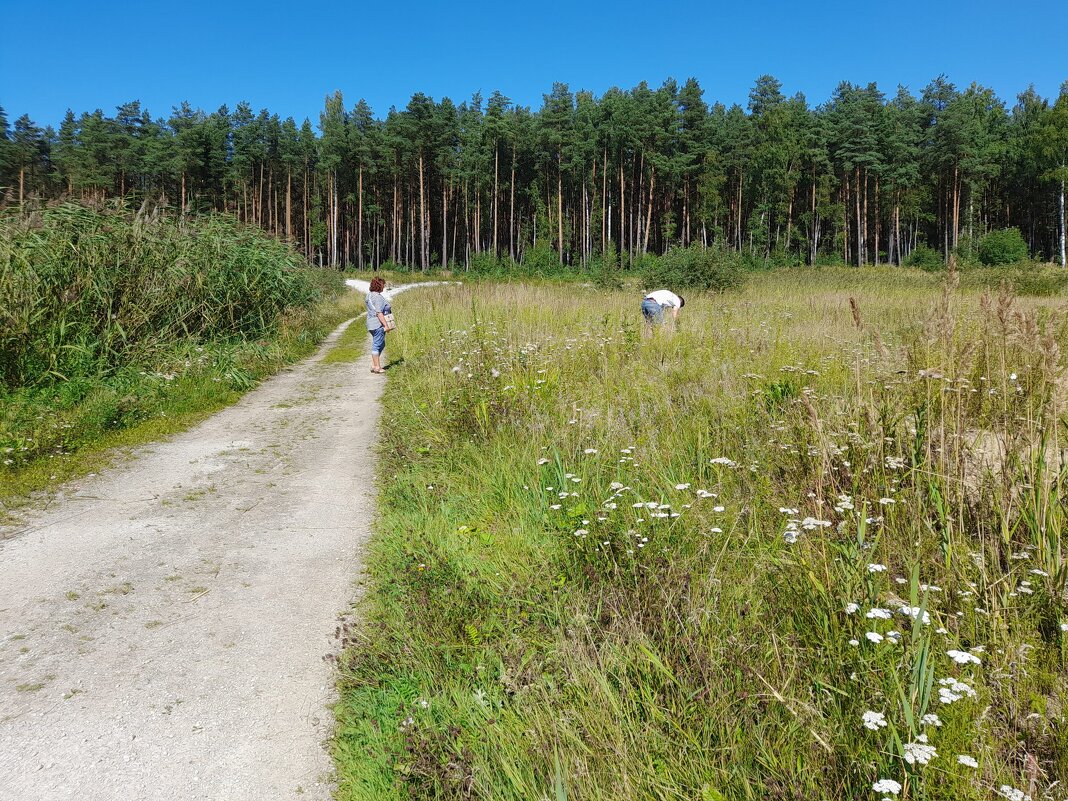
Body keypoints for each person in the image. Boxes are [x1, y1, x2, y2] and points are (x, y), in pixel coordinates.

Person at [366, 276, 392, 373]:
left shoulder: (368, 295)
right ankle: (377, 367)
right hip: (377, 324)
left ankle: (374, 365)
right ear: (379, 285)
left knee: (381, 343)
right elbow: (379, 312)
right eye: (383, 284)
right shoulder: (378, 297)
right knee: (377, 344)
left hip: (370, 323)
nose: (384, 286)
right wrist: (386, 325)